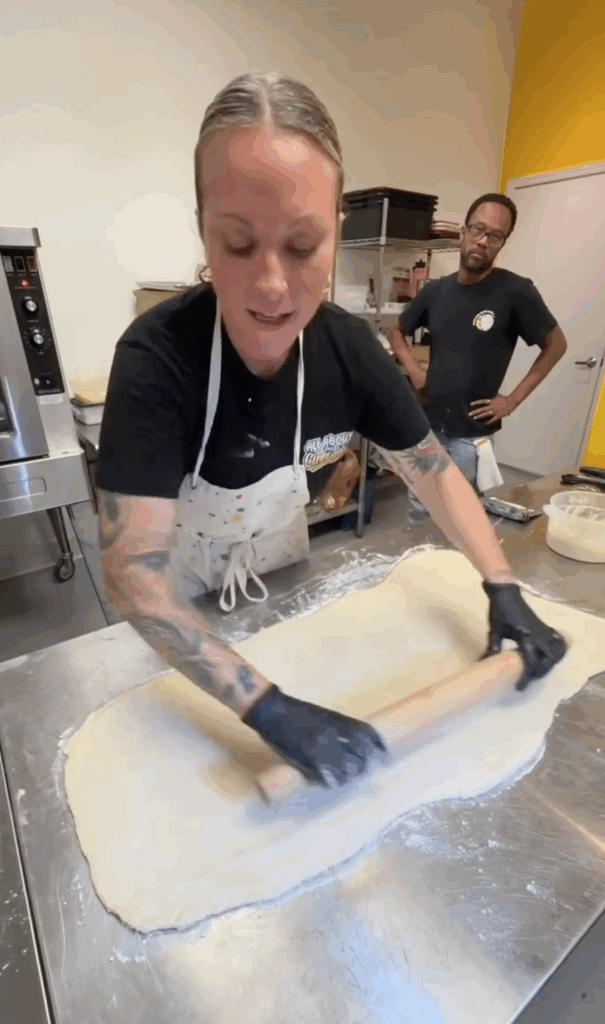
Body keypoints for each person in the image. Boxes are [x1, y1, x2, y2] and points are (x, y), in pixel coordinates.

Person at [97, 75, 566, 793]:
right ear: (201, 227)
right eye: (237, 242)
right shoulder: (158, 357)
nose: (274, 286)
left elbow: (433, 470)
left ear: (336, 233)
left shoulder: (349, 349)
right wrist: (267, 708)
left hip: (282, 583)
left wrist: (500, 584)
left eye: (303, 244)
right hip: (178, 598)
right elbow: (134, 574)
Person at [388, 193, 567, 512]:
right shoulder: (435, 291)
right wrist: (414, 372)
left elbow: (556, 345)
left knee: (462, 517)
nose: (484, 241)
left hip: (471, 440)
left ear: (503, 243)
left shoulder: (515, 292)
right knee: (419, 511)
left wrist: (512, 400)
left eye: (495, 236)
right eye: (478, 230)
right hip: (427, 430)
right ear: (463, 233)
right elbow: (396, 331)